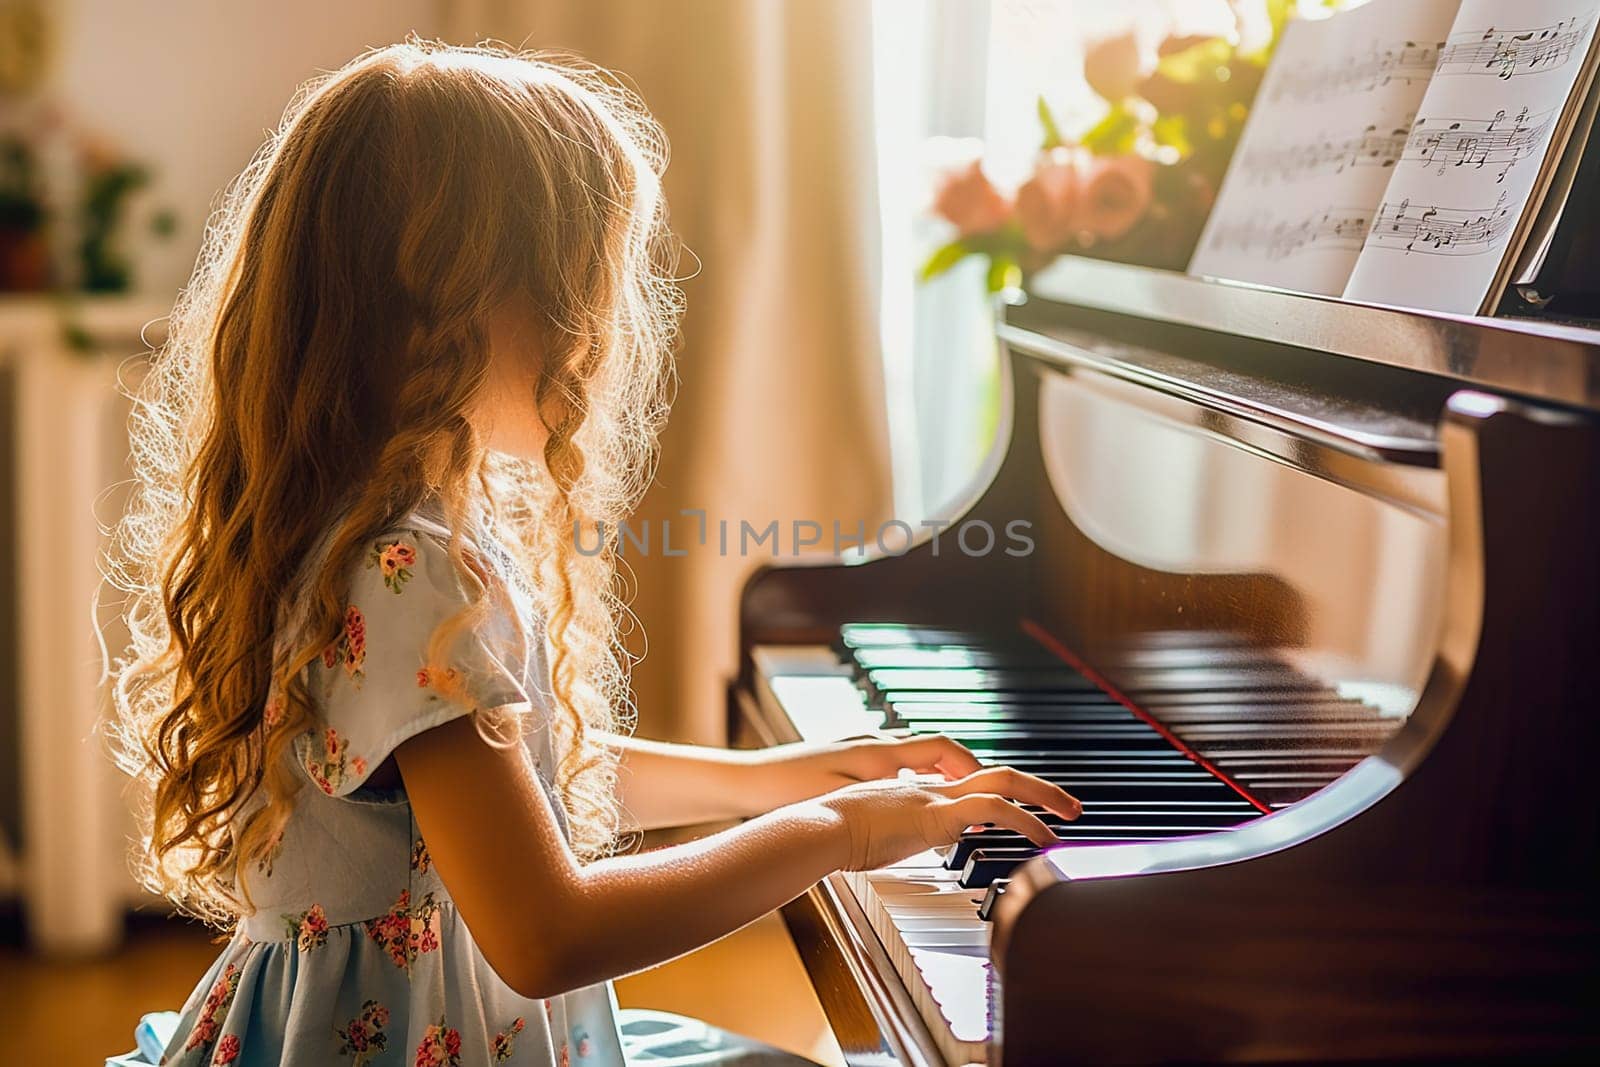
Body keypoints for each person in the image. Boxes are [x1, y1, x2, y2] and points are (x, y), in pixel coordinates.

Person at [104, 38, 1080, 1067]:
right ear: (456, 300)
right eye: (579, 283)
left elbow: (499, 786)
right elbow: (546, 932)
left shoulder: (369, 528)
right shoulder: (408, 569)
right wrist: (842, 830)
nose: (601, 330)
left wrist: (775, 779)